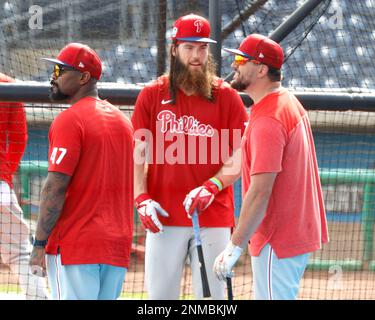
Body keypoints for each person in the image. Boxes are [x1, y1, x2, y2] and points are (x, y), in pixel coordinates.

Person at [132, 13, 248, 299]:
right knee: (160, 299)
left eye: (202, 48)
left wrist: (213, 185)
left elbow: (240, 155)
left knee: (211, 300)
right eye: (189, 47)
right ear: (174, 49)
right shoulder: (151, 94)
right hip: (163, 216)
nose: (196, 56)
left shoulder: (227, 96)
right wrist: (141, 197)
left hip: (213, 216)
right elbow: (137, 153)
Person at [213, 34, 329, 300]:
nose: (234, 65)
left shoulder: (269, 119)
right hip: (293, 233)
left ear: (262, 69)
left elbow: (260, 192)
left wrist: (234, 247)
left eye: (241, 59)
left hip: (276, 237)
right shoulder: (285, 101)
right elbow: (251, 161)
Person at [29, 43, 134, 300]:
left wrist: (39, 244)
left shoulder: (69, 120)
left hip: (76, 245)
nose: (53, 77)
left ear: (84, 77)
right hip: (115, 247)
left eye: (60, 70)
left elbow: (55, 187)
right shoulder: (124, 122)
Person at [0, 73, 49, 299]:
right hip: (0, 186)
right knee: (19, 253)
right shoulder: (8, 83)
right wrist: (5, 174)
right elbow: (19, 137)